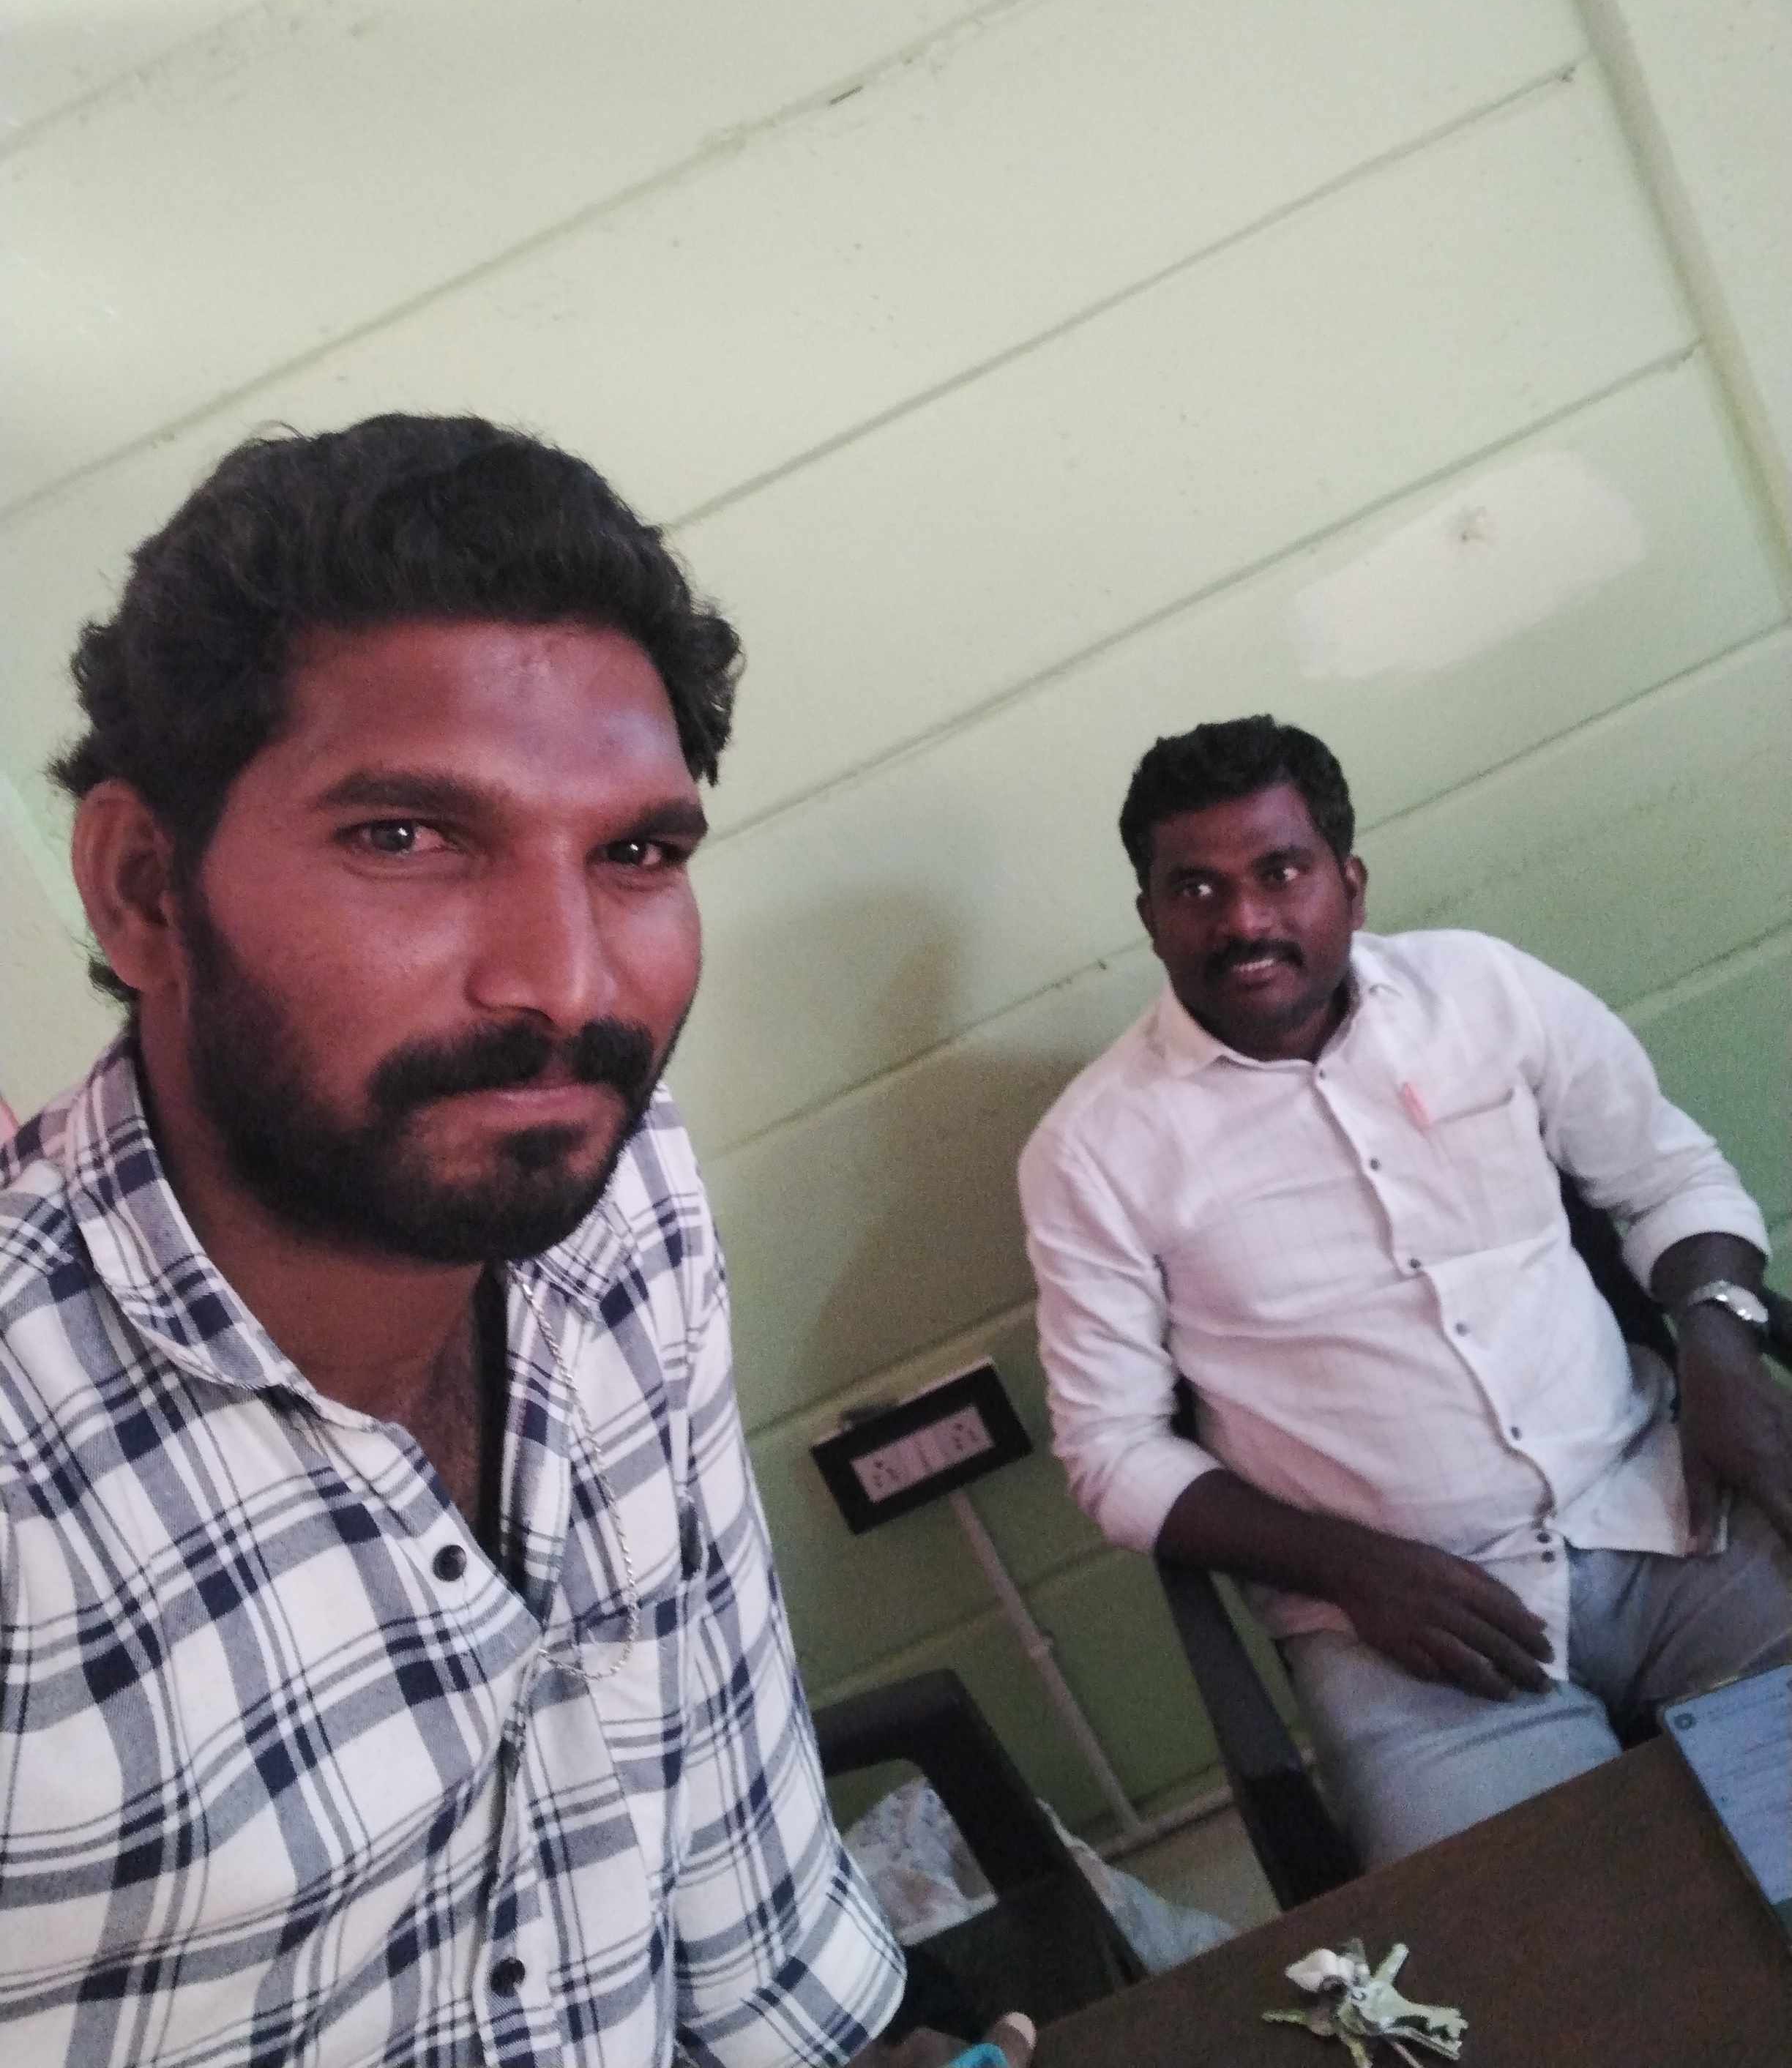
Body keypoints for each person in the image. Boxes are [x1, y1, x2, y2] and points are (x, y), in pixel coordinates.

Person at [0, 415, 1028, 2068]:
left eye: (635, 854)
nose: (564, 981)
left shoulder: (621, 1203)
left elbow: (744, 1876)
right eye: (408, 838)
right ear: (142, 890)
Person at [1020, 714, 1791, 1865]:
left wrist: (1720, 1350)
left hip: (1664, 1515)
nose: (1244, 921)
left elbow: (1668, 1181)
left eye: (1281, 871)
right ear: (1149, 916)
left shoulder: (1484, 993)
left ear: (1351, 880)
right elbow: (1112, 1450)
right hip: (1406, 1633)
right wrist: (1354, 1569)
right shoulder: (1095, 1151)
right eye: (1197, 889)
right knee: (1563, 1944)